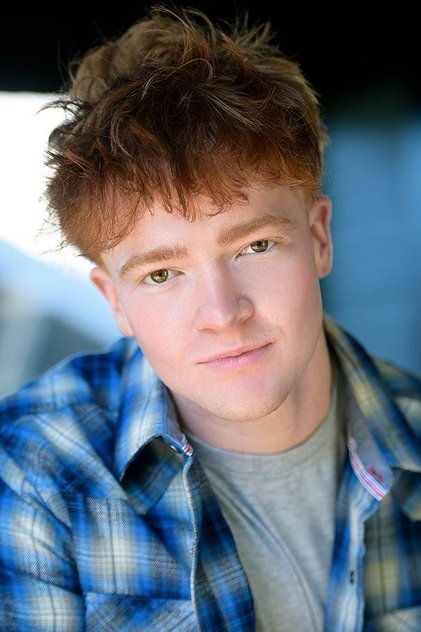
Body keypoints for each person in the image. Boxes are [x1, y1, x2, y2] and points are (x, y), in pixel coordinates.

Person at [0, 4, 420, 631]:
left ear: (319, 238)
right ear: (113, 300)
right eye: (161, 275)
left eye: (255, 246)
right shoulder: (31, 472)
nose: (222, 314)